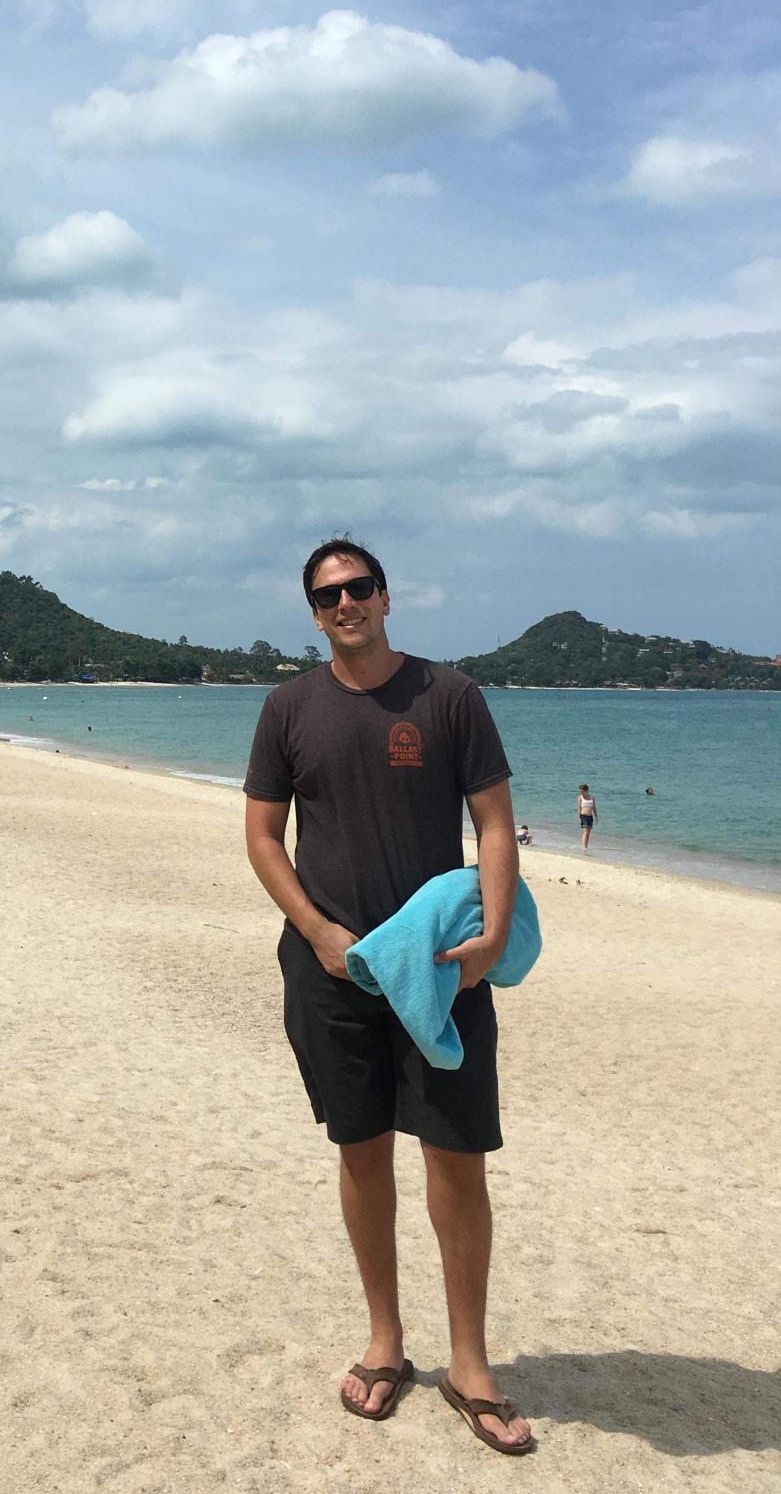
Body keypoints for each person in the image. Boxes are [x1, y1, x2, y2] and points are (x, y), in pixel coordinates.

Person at [244, 538, 532, 1456]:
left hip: (442, 968)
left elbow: (492, 821)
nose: (344, 603)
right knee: (360, 1152)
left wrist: (488, 933)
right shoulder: (288, 707)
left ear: (385, 596)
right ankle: (385, 1341)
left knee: (456, 1159)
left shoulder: (448, 696)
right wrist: (320, 934)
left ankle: (471, 1364)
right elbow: (260, 835)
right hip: (333, 973)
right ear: (314, 609)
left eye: (358, 587)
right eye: (327, 594)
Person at [577, 784, 598, 850]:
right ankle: (584, 847)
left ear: (586, 790)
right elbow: (579, 808)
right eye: (580, 791)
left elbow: (594, 808)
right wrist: (579, 818)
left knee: (588, 834)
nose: (581, 793)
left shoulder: (592, 797)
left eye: (582, 791)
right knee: (585, 833)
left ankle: (586, 846)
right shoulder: (580, 798)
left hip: (590, 816)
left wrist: (596, 817)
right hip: (583, 816)